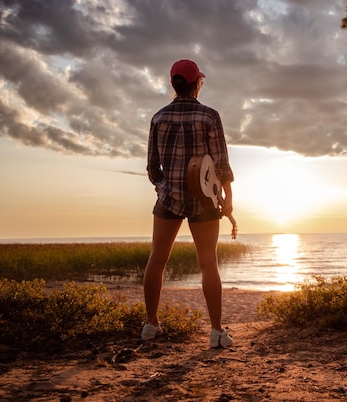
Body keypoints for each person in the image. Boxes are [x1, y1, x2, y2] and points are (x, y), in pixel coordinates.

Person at [141, 59, 234, 348]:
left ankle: (151, 325)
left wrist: (163, 187)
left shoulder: (158, 117)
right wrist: (227, 199)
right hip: (204, 201)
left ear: (174, 84)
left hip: (168, 199)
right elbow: (220, 163)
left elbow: (152, 167)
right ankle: (217, 332)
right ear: (197, 84)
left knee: (157, 259)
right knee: (208, 263)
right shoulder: (209, 116)